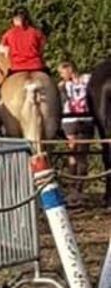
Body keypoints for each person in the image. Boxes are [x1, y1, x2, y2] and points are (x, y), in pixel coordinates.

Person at [57, 60, 92, 199]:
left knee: (76, 154)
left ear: (69, 69)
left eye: (62, 72)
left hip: (74, 120)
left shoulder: (85, 79)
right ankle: (76, 188)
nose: (61, 75)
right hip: (80, 120)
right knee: (76, 154)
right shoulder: (86, 79)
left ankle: (76, 188)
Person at [0, 10, 47, 75]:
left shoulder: (8, 34)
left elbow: (5, 52)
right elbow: (41, 50)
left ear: (14, 20)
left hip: (17, 68)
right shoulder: (37, 33)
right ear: (27, 20)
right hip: (36, 66)